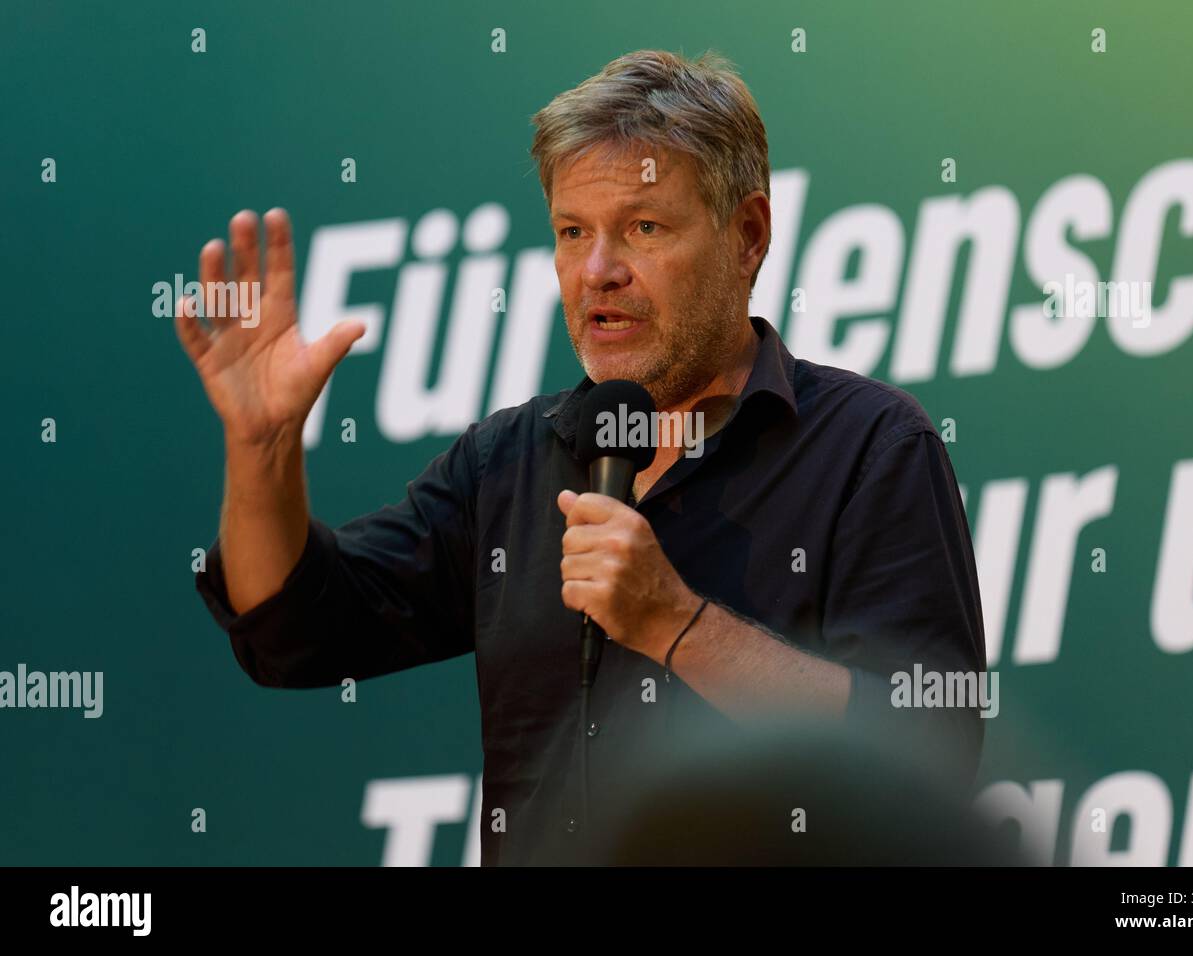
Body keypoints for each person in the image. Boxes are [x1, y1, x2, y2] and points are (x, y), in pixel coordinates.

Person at [177, 49, 987, 866]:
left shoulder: (871, 447)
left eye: (642, 227)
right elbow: (296, 630)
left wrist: (676, 621)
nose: (598, 271)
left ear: (748, 235)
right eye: (572, 232)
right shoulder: (508, 463)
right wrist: (263, 450)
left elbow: (927, 755)